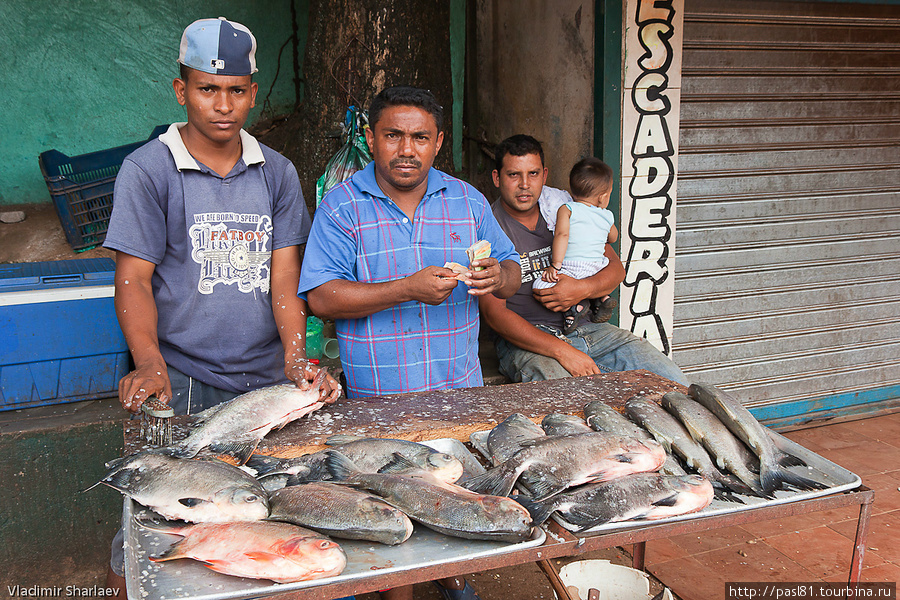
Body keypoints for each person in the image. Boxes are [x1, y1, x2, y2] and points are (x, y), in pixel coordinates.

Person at [102, 17, 339, 597]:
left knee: (262, 510)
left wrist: (293, 357)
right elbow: (133, 277)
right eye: (208, 89)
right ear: (181, 91)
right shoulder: (149, 169)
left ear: (253, 94)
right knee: (155, 525)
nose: (223, 104)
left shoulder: (277, 172)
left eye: (236, 90)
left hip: (262, 382)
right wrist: (150, 362)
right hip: (181, 377)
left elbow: (285, 274)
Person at [298, 85, 520, 600]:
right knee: (395, 513)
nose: (406, 149)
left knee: (452, 498)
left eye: (419, 137)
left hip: (454, 394)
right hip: (378, 402)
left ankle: (454, 580)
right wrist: (406, 289)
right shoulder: (342, 206)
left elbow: (512, 270)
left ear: (438, 141)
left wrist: (496, 277)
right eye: (393, 135)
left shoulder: (467, 201)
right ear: (372, 139)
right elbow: (322, 298)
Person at [481, 134, 689, 385]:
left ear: (544, 175)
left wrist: (580, 289)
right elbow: (495, 316)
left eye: (533, 174)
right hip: (531, 342)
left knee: (673, 382)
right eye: (514, 175)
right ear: (497, 177)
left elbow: (615, 270)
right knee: (570, 402)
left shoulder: (565, 209)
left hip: (591, 330)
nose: (525, 184)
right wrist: (564, 351)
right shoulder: (487, 228)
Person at [533, 157, 619, 333]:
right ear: (603, 198)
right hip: (597, 267)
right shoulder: (606, 215)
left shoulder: (567, 208)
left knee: (539, 285)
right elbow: (613, 237)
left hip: (573, 268)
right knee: (584, 280)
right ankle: (602, 298)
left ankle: (574, 311)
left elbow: (562, 234)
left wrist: (555, 266)